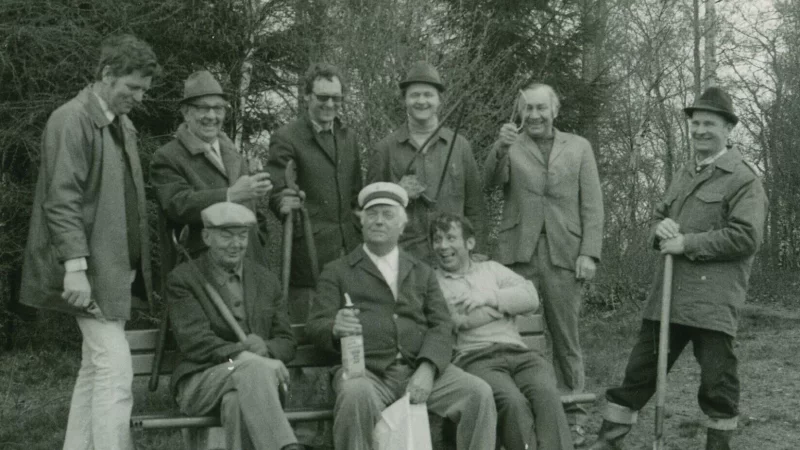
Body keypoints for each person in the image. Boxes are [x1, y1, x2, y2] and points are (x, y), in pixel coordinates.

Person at [588, 87, 767, 450]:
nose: (700, 130)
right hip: (667, 296)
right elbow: (659, 217)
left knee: (717, 383)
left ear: (728, 129)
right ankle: (608, 441)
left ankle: (718, 446)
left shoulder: (744, 178)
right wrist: (660, 229)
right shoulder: (685, 172)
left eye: (709, 124)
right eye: (695, 123)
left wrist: (688, 243)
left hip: (712, 303)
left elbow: (746, 237)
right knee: (638, 374)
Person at [19, 35, 160, 450]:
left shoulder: (123, 124)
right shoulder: (71, 119)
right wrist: (75, 267)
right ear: (105, 75)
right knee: (115, 371)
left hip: (112, 270)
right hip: (86, 272)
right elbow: (61, 199)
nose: (138, 97)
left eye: (143, 90)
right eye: (130, 87)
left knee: (95, 369)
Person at [306, 182, 497, 450]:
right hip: (368, 374)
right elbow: (315, 326)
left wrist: (428, 368)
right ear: (361, 222)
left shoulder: (421, 270)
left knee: (478, 393)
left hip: (418, 368)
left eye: (388, 214)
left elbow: (441, 324)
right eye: (372, 214)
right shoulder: (338, 271)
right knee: (354, 395)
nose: (379, 221)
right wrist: (333, 327)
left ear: (402, 225)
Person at [483, 82, 604, 444]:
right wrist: (499, 147)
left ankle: (573, 415)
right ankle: (527, 418)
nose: (534, 115)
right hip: (517, 255)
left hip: (565, 254)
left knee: (566, 338)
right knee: (519, 338)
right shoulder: (510, 144)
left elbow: (592, 205)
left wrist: (589, 252)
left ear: (555, 110)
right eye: (528, 109)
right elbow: (489, 183)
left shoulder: (579, 147)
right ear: (519, 112)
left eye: (541, 108)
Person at [430, 212, 574, 450]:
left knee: (547, 394)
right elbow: (460, 320)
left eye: (450, 238)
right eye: (437, 239)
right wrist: (503, 308)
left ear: (470, 243)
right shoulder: (434, 282)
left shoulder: (492, 270)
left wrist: (487, 297)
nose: (443, 246)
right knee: (512, 401)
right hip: (475, 358)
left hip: (520, 353)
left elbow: (530, 298)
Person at [166, 202, 300, 450]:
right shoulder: (184, 278)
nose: (235, 244)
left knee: (237, 403)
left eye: (242, 236)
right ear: (206, 237)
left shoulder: (266, 280)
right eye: (226, 236)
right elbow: (195, 340)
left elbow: (286, 340)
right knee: (250, 369)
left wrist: (265, 349)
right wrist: (244, 356)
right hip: (202, 380)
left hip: (254, 383)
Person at [267, 62, 363, 323]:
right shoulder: (287, 137)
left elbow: (356, 194)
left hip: (348, 252)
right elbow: (277, 191)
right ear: (307, 96)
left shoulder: (348, 138)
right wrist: (282, 202)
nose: (329, 104)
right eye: (322, 97)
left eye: (336, 98)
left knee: (349, 330)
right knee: (310, 330)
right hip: (308, 254)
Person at [151, 70, 271, 270]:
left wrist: (258, 241)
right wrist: (229, 195)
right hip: (201, 273)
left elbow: (256, 214)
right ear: (186, 112)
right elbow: (178, 205)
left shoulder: (234, 155)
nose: (211, 116)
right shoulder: (168, 157)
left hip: (249, 269)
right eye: (203, 108)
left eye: (218, 108)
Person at [367, 61, 485, 263]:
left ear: (440, 100)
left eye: (428, 95)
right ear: (404, 100)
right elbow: (369, 212)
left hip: (453, 261)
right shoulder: (385, 149)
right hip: (404, 262)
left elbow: (475, 206)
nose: (422, 101)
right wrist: (397, 193)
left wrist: (479, 251)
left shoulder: (460, 146)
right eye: (414, 95)